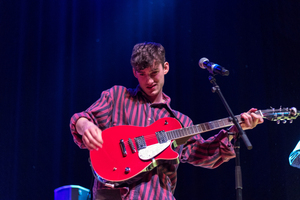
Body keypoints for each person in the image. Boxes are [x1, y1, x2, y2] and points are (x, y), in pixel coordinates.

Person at [70, 42, 264, 200]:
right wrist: (85, 125)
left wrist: (233, 130)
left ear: (165, 67)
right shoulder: (117, 97)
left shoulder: (180, 121)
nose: (148, 81)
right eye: (142, 73)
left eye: (154, 72)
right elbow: (82, 118)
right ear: (134, 72)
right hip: (113, 195)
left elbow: (203, 154)